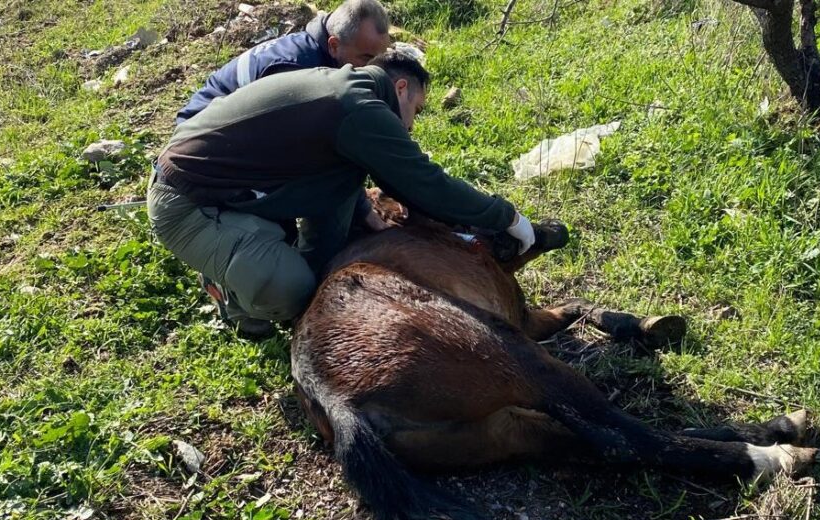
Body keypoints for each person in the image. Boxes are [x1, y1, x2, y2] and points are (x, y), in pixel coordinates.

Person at [148, 51, 536, 337]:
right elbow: (425, 184)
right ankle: (230, 295)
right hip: (187, 203)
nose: (413, 125)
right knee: (293, 291)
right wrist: (507, 218)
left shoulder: (342, 88)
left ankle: (254, 251)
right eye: (416, 110)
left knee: (324, 248)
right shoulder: (356, 106)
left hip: (235, 187)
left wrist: (363, 211)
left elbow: (339, 178)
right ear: (400, 88)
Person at [175, 0, 392, 124]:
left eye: (377, 58)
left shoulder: (314, 50)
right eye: (365, 58)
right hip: (198, 139)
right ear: (334, 45)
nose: (372, 68)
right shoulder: (297, 69)